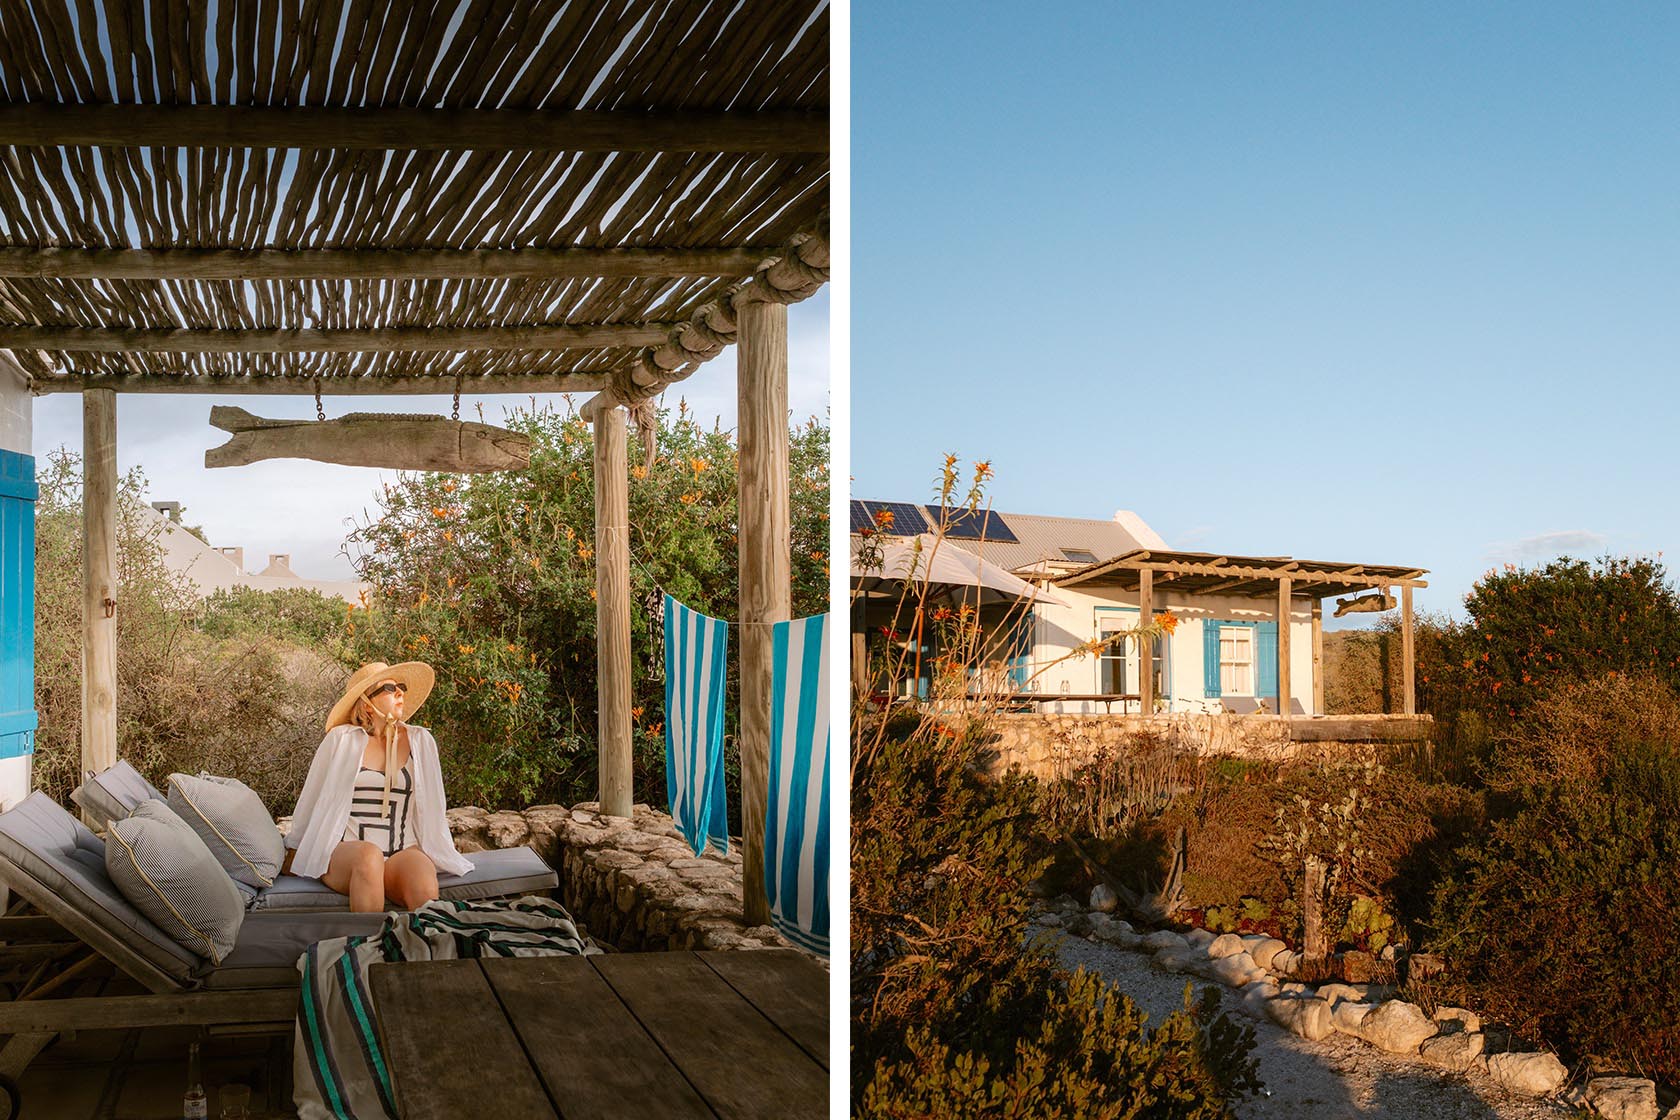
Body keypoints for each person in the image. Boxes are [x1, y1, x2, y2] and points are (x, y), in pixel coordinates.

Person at [283, 661, 473, 912]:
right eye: (389, 687)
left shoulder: (421, 741)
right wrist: (295, 850)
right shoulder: (341, 740)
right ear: (366, 703)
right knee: (369, 857)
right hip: (346, 855)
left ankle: (423, 946)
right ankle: (366, 948)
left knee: (422, 882)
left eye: (401, 687)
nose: (399, 693)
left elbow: (434, 809)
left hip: (401, 850)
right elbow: (312, 799)